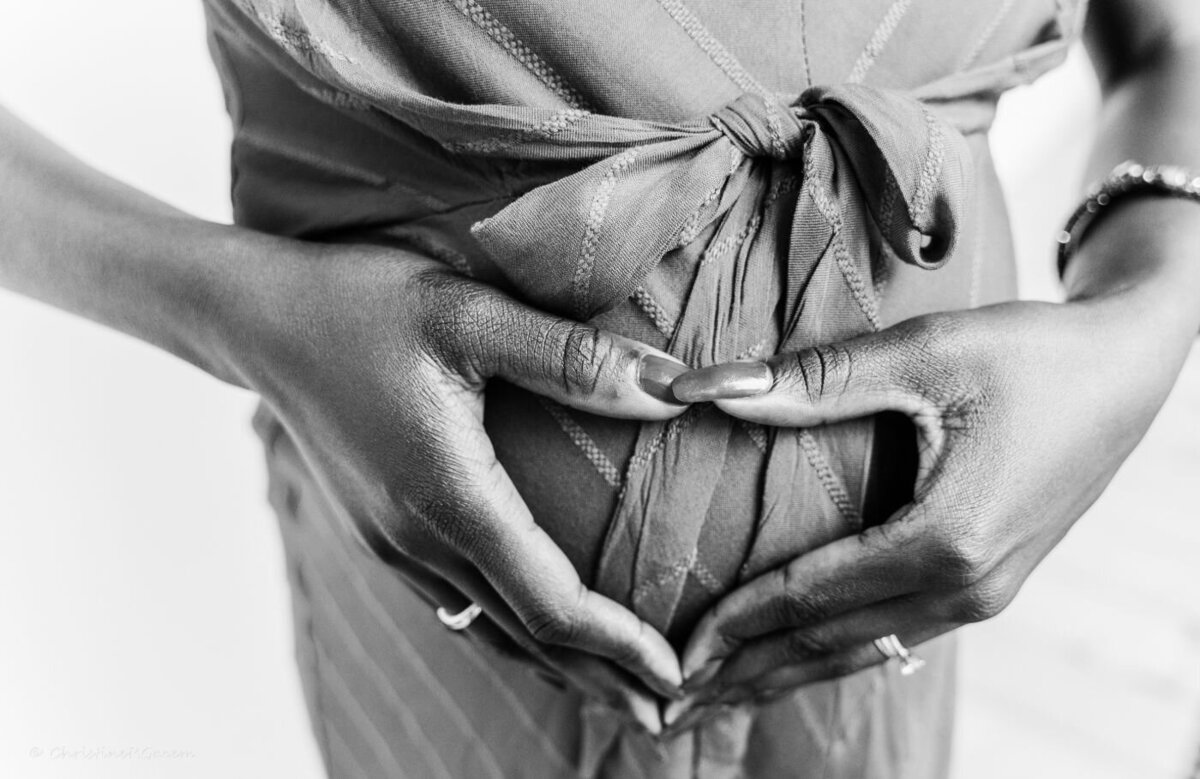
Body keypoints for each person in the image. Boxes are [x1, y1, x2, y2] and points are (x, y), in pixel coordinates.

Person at [2, 0, 1199, 776]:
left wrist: (1146, 313)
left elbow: (1166, 40)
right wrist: (237, 313)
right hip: (431, 634)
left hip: (883, 638)